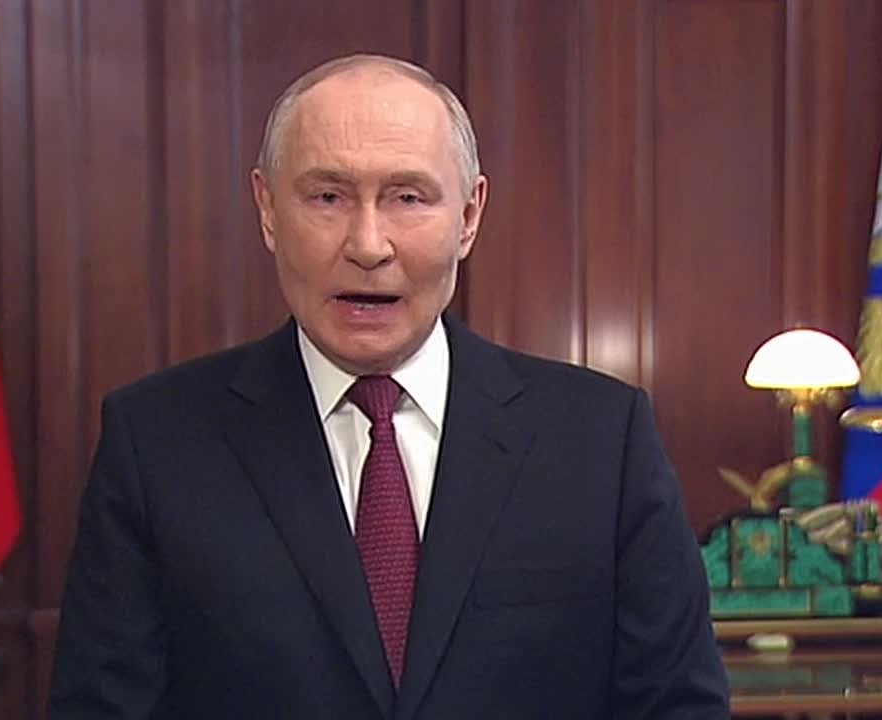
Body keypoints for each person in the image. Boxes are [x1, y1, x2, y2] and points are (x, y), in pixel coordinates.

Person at [48, 53, 729, 719]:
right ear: (268, 209)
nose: (368, 245)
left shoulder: (601, 439)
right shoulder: (155, 443)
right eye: (327, 197)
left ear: (468, 215)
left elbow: (677, 704)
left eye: (407, 198)